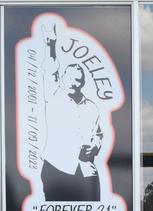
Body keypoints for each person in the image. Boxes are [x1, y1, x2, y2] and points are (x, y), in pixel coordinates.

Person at [40, 24, 103, 201]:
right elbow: (50, 68)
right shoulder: (53, 94)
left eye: (78, 81)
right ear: (62, 78)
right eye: (70, 79)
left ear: (83, 83)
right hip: (56, 168)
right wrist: (51, 45)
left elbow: (99, 134)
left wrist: (95, 146)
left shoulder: (91, 107)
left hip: (86, 169)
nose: (74, 84)